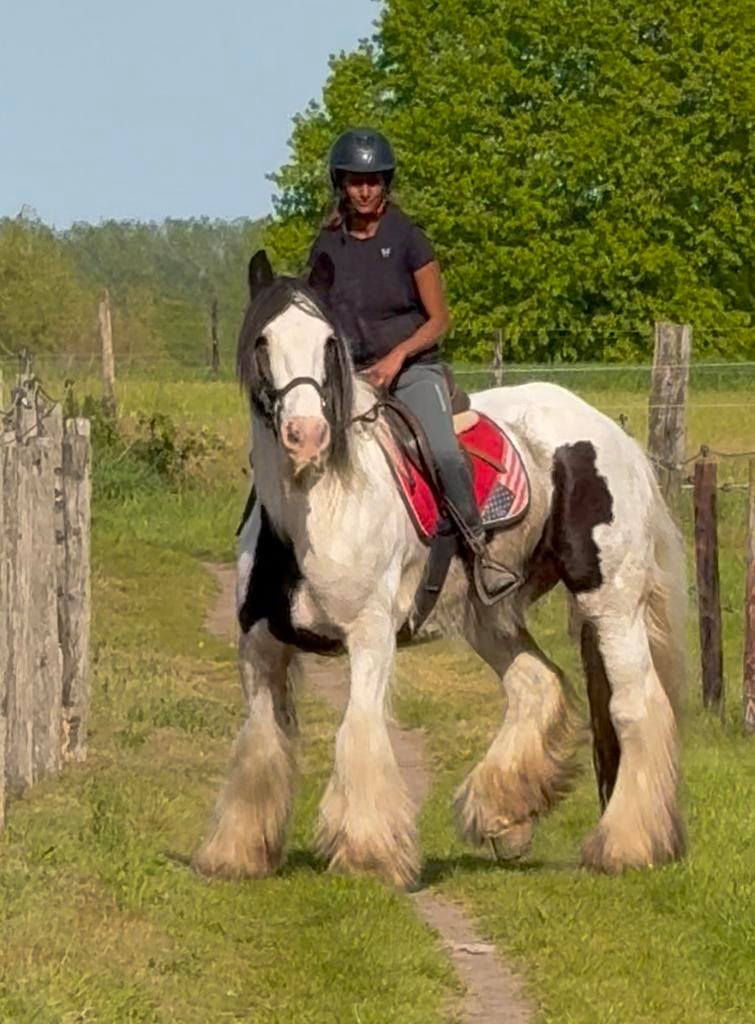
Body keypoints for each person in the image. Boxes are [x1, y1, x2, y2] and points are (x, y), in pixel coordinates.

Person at [309, 128, 519, 601]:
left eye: (374, 180)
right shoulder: (325, 245)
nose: (365, 190)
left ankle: (480, 550)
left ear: (387, 184)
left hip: (411, 370)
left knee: (442, 449)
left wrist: (397, 357)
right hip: (350, 375)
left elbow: (440, 319)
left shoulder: (409, 238)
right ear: (339, 184)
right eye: (355, 180)